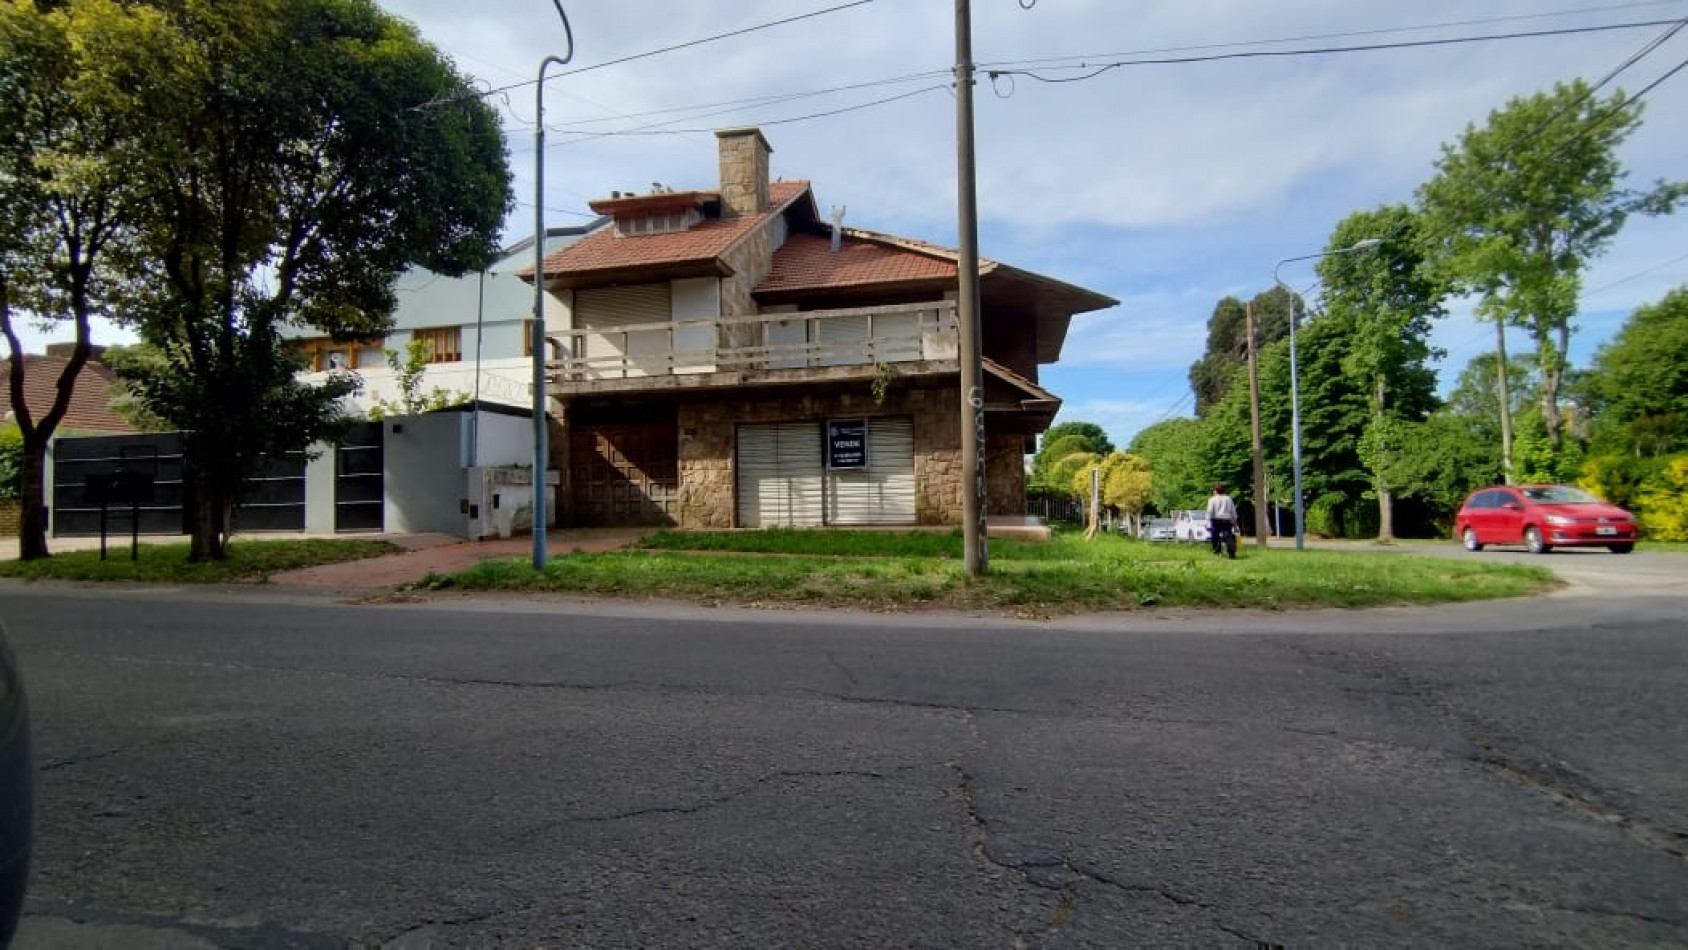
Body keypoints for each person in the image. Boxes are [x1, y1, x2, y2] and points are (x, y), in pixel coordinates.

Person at [1206, 481, 1238, 558]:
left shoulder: (1212, 499)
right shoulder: (1228, 499)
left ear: (1215, 490)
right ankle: (1231, 552)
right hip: (1227, 520)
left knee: (1215, 536)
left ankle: (1217, 551)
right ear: (1225, 490)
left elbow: (1209, 511)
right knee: (1228, 536)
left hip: (1216, 520)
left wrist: (1207, 522)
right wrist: (1235, 522)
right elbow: (1233, 511)